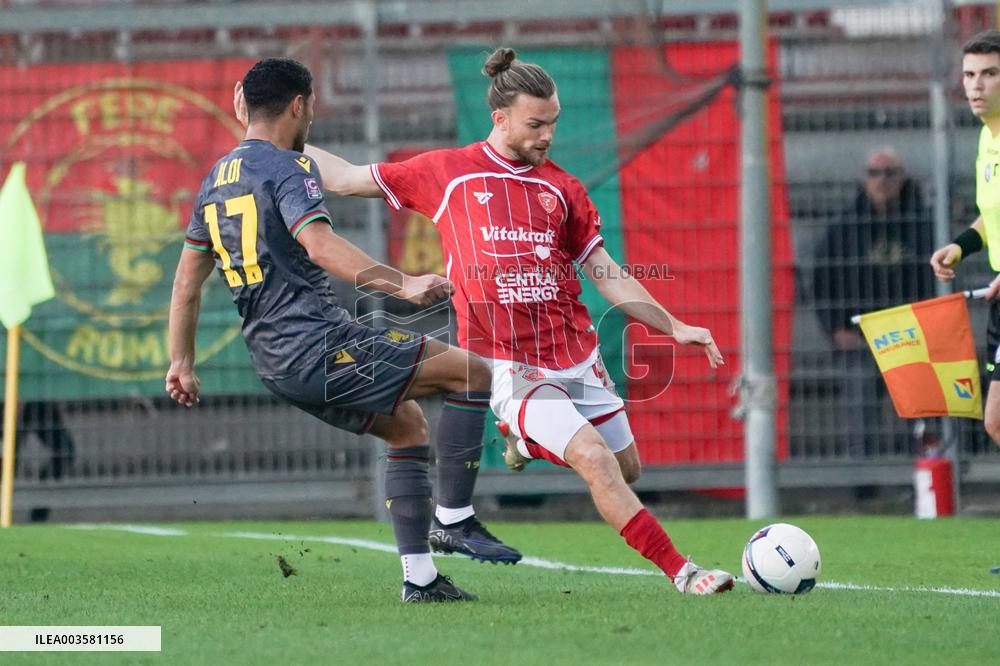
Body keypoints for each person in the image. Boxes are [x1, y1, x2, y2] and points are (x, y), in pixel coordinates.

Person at [256, 48, 734, 594]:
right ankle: (685, 572)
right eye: (535, 124)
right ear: (500, 118)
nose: (547, 135)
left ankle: (525, 442)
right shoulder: (447, 173)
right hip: (508, 365)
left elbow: (605, 271)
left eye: (553, 123)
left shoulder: (565, 189)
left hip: (576, 354)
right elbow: (342, 177)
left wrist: (672, 325)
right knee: (596, 462)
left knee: (627, 469)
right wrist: (264, 143)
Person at [168, 58, 519, 604]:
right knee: (473, 373)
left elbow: (187, 282)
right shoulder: (289, 168)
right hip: (320, 345)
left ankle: (421, 582)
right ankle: (454, 517)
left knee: (406, 427)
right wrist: (402, 284)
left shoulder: (216, 178)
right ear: (299, 105)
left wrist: (181, 363)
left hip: (274, 361)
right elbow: (321, 246)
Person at [813, 147, 936, 456]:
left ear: (903, 179)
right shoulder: (843, 230)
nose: (882, 180)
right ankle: (861, 483)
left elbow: (938, 280)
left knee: (922, 411)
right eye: (874, 173)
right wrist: (835, 328)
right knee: (860, 408)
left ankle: (919, 478)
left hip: (909, 336)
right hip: (859, 338)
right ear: (864, 180)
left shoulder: (924, 226)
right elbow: (821, 283)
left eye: (890, 173)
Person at [931, 29, 1000, 448]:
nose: (976, 85)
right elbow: (993, 217)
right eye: (969, 75)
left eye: (989, 74)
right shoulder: (986, 138)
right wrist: (960, 245)